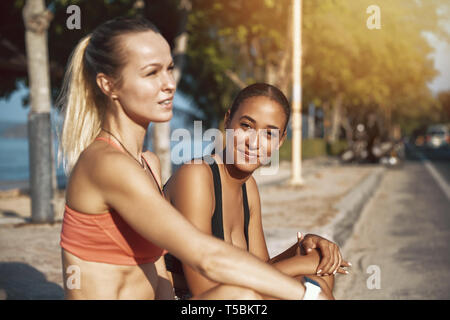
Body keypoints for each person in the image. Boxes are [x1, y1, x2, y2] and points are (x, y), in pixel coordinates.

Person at [57, 17, 325, 300]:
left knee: (312, 279)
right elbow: (206, 256)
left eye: (169, 69)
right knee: (245, 297)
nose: (169, 84)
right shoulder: (106, 163)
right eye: (151, 73)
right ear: (108, 85)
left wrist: (304, 262)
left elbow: (159, 275)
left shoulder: (147, 163)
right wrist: (306, 294)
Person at [163, 83, 351, 299]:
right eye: (246, 126)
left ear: (280, 141)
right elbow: (205, 288)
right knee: (309, 283)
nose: (254, 143)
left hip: (235, 297)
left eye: (269, 134)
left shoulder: (248, 188)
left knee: (319, 274)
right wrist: (302, 263)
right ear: (227, 121)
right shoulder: (196, 176)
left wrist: (302, 248)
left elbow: (262, 267)